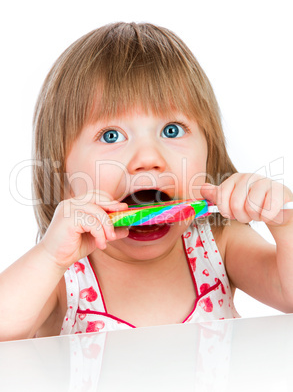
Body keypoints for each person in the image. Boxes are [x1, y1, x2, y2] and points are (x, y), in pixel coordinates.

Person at [1, 22, 292, 341]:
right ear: (63, 175)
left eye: (172, 130)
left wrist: (284, 223)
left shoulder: (219, 244)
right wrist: (49, 257)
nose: (147, 157)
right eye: (111, 136)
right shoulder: (62, 273)